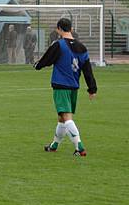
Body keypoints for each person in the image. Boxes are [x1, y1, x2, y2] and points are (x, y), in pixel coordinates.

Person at [35, 18, 96, 157]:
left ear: (58, 29)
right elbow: (87, 70)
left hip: (61, 85)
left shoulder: (59, 44)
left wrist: (37, 66)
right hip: (74, 86)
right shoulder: (82, 47)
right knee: (61, 118)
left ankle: (79, 147)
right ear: (71, 29)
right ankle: (54, 145)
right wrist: (92, 88)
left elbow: (47, 59)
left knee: (67, 117)